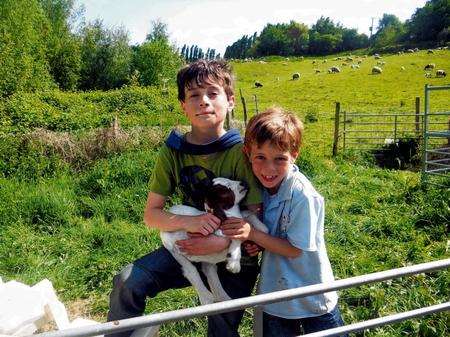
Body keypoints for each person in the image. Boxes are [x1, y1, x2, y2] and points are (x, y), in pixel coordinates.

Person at [106, 59, 262, 337]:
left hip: (232, 258)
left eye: (212, 93)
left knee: (221, 326)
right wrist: (190, 224)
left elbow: (255, 214)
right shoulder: (172, 152)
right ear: (183, 106)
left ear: (230, 101)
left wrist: (224, 242)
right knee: (127, 282)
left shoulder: (242, 152)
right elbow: (151, 214)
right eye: (193, 95)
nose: (203, 101)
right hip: (185, 250)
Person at [222, 107, 348, 337]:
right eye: (260, 157)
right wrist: (258, 243)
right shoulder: (260, 189)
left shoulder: (303, 196)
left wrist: (253, 235)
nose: (269, 169)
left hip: (312, 292)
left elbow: (294, 249)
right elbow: (272, 233)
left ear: (295, 155)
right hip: (276, 294)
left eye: (280, 159)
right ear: (247, 153)